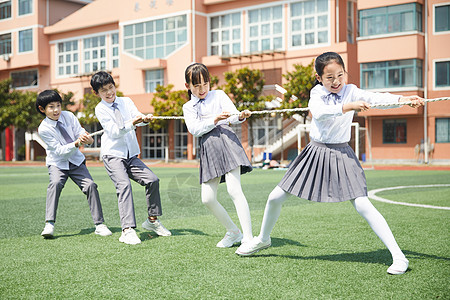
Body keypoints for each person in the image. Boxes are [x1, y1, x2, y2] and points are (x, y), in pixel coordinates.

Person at [236, 52, 424, 275]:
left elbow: (375, 98)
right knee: (275, 197)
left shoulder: (352, 90)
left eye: (340, 75)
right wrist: (348, 106)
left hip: (342, 153)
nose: (336, 82)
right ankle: (263, 239)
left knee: (363, 204)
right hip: (315, 151)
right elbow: (319, 113)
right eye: (329, 78)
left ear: (345, 73)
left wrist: (403, 100)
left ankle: (398, 256)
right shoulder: (317, 93)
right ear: (319, 77)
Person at [92, 71, 171, 245]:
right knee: (124, 185)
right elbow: (114, 131)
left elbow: (137, 118)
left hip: (130, 154)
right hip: (112, 155)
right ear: (97, 93)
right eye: (104, 90)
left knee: (152, 180)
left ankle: (152, 221)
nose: (109, 92)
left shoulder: (126, 101)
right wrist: (133, 123)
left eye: (111, 87)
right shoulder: (100, 109)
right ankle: (127, 230)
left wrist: (144, 119)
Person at [182, 63, 253, 248]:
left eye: (205, 84)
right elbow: (195, 130)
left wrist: (240, 116)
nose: (202, 89)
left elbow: (232, 116)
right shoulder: (188, 107)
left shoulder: (219, 95)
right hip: (208, 147)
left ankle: (248, 238)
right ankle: (233, 232)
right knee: (207, 198)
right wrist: (214, 119)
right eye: (196, 86)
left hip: (227, 141)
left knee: (234, 190)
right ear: (188, 86)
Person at [36, 90, 112, 238]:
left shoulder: (69, 116)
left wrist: (87, 140)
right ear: (42, 109)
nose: (56, 110)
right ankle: (49, 224)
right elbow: (59, 151)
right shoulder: (44, 129)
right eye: (51, 107)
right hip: (58, 163)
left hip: (76, 161)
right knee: (56, 183)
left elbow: (82, 134)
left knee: (90, 185)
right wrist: (77, 143)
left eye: (58, 105)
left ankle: (100, 224)